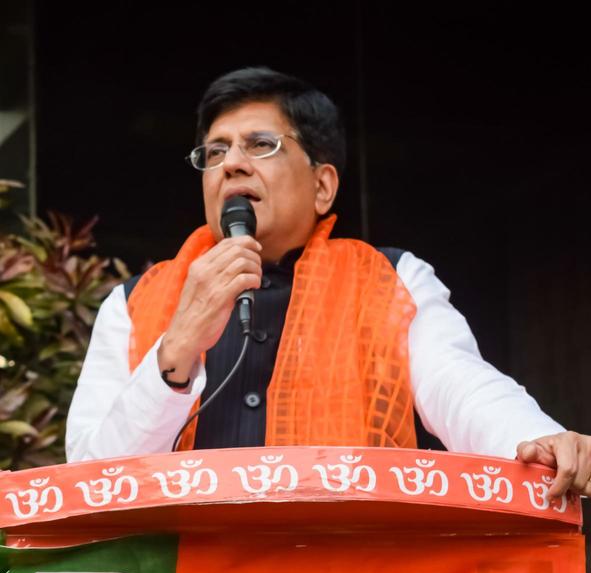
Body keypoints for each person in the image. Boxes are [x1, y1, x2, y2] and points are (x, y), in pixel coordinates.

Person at [66, 67, 591, 499]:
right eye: (216, 151)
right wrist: (177, 347)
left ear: (322, 186)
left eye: (260, 145)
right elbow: (89, 477)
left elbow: (459, 384)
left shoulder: (390, 278)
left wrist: (532, 438)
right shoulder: (133, 302)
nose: (232, 165)